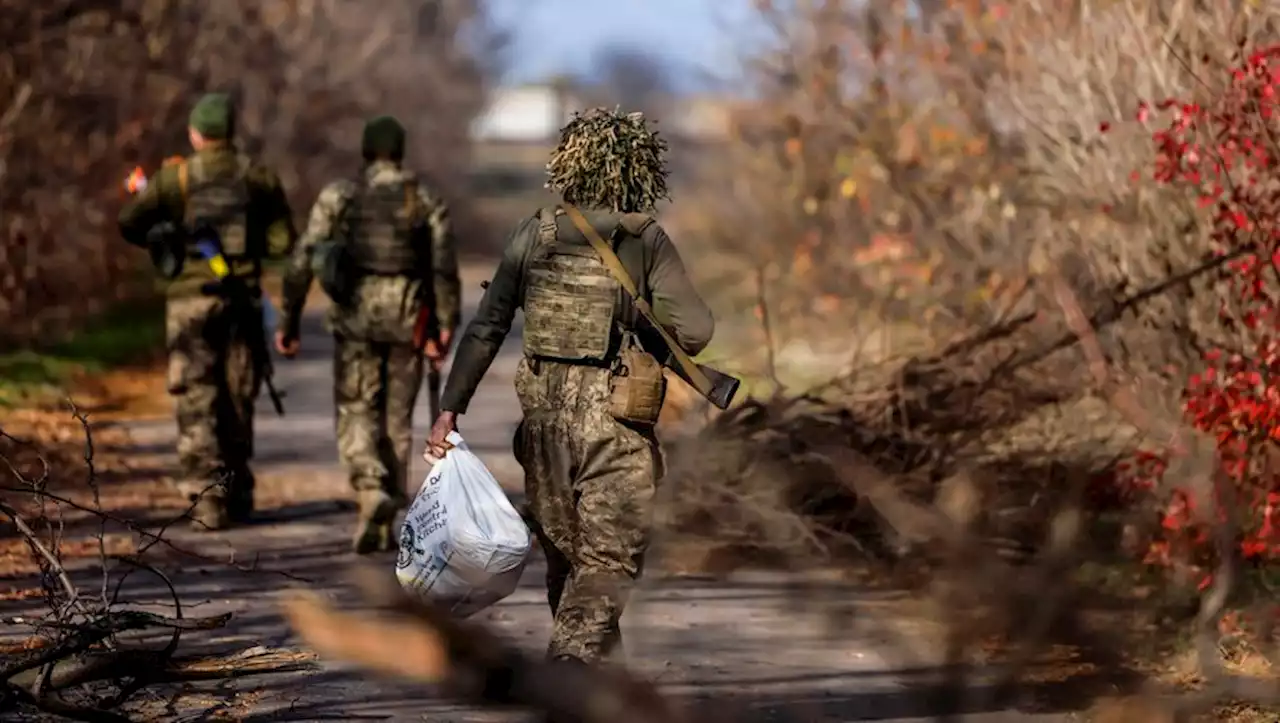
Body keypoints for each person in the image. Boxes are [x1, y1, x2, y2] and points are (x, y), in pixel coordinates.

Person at [424, 108, 715, 664]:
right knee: (608, 567)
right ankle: (569, 667)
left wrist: (448, 410)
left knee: (570, 566)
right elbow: (697, 333)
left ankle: (601, 688)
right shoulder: (645, 238)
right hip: (617, 429)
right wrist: (642, 313)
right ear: (639, 170)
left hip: (544, 434)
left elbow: (487, 325)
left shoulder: (536, 233)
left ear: (568, 166)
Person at [277, 115, 461, 554]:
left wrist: (290, 317)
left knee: (357, 408)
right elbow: (442, 266)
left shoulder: (341, 196)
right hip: (408, 317)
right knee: (398, 419)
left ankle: (369, 487)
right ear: (399, 151)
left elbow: (305, 256)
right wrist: (446, 323)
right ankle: (389, 505)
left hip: (356, 318)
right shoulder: (424, 198)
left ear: (364, 150)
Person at [117, 92, 297, 530]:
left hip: (190, 303)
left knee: (197, 395)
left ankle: (206, 497)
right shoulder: (257, 177)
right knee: (238, 393)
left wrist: (165, 238)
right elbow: (282, 243)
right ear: (232, 132)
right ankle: (237, 490)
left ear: (196, 134)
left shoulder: (173, 179)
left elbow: (129, 222)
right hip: (242, 301)